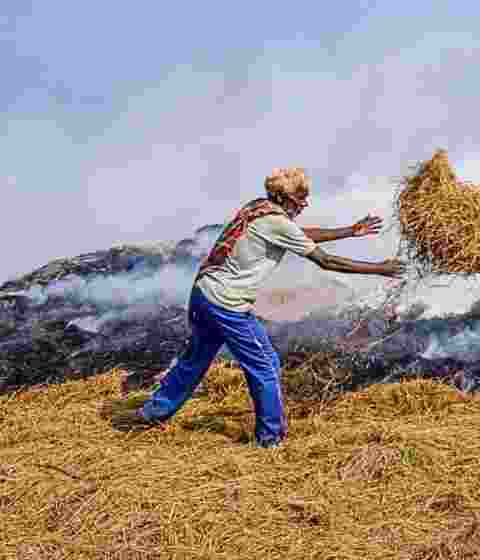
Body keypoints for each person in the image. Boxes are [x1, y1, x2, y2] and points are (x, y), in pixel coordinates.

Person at [118, 167, 404, 448]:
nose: (304, 204)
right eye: (300, 199)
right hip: (226, 304)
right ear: (284, 198)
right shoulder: (276, 223)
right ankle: (271, 439)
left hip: (203, 293)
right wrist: (379, 268)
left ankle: (151, 413)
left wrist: (350, 231)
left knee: (195, 359)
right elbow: (326, 261)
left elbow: (297, 233)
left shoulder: (258, 209)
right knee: (266, 364)